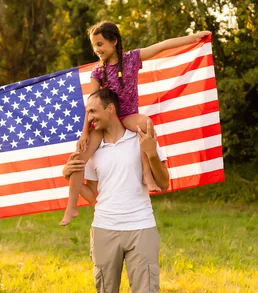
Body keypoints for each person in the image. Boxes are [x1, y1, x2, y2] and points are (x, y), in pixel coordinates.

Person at [62, 88, 169, 293]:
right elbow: (94, 196)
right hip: (105, 228)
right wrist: (70, 175)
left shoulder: (140, 136)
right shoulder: (92, 148)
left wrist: (150, 152)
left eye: (93, 112)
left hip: (141, 228)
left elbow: (163, 182)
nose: (88, 118)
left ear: (111, 109)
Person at [60, 21, 210, 226]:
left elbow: (162, 46)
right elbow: (91, 105)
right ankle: (71, 208)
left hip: (128, 115)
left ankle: (147, 175)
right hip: (105, 118)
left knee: (146, 124)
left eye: (100, 44)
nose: (97, 50)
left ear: (114, 41)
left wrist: (192, 38)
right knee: (79, 157)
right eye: (94, 46)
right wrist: (84, 132)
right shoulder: (97, 72)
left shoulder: (131, 59)